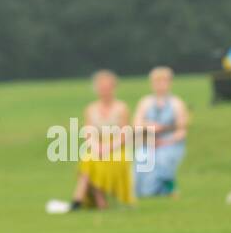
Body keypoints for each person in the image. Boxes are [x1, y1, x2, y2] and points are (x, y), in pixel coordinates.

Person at [69, 70, 133, 209]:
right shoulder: (90, 109)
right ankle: (95, 199)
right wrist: (97, 147)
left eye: (107, 87)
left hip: (117, 149)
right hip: (97, 146)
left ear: (114, 88)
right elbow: (88, 133)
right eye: (101, 88)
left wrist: (107, 148)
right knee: (89, 160)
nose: (104, 91)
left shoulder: (121, 108)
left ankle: (79, 200)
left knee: (93, 161)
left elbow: (124, 134)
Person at [132, 67, 189, 197]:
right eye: (157, 82)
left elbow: (182, 130)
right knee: (143, 157)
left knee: (162, 159)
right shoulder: (145, 102)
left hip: (170, 143)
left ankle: (167, 188)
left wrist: (164, 141)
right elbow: (136, 125)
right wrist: (150, 127)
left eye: (164, 81)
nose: (160, 85)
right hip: (148, 142)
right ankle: (141, 191)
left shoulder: (177, 103)